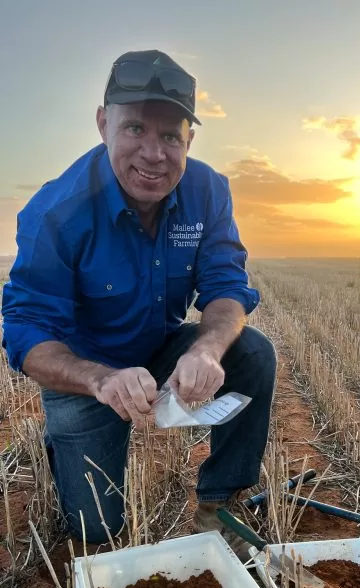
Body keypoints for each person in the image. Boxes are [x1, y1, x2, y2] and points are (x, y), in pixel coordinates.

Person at [1, 49, 276, 553]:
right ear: (104, 123)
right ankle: (64, 447)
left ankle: (219, 503)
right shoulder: (56, 212)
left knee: (253, 352)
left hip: (158, 342)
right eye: (134, 130)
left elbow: (226, 287)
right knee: (95, 531)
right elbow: (26, 331)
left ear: (189, 140)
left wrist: (206, 351)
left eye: (171, 135)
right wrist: (101, 379)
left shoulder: (207, 190)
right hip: (86, 373)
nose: (154, 153)